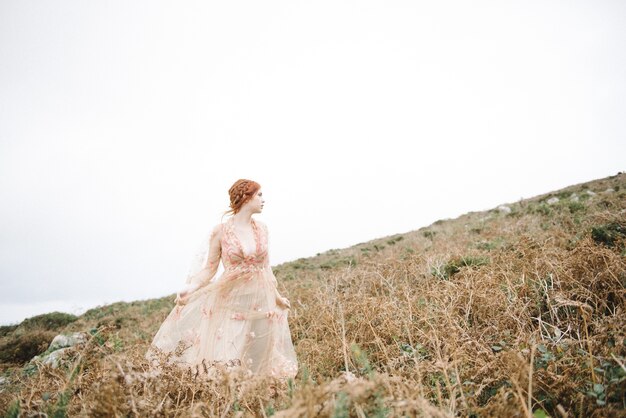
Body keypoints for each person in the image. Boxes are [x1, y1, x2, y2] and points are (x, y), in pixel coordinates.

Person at [145, 179, 298, 379]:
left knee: (260, 353)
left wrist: (277, 297)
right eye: (259, 195)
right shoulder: (221, 232)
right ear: (246, 197)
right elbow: (209, 269)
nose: (263, 200)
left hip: (262, 300)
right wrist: (191, 287)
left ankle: (256, 400)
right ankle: (227, 397)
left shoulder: (262, 229)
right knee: (231, 352)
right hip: (232, 301)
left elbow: (265, 268)